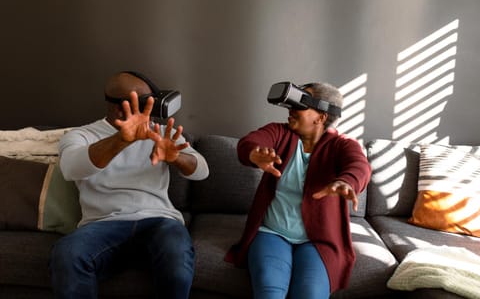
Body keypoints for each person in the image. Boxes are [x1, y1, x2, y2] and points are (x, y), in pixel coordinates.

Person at [49, 71, 209, 299]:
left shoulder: (164, 133)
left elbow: (202, 171)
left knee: (177, 259)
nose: (152, 110)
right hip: (102, 225)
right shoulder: (81, 135)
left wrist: (177, 158)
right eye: (144, 103)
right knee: (67, 255)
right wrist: (122, 140)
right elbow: (71, 168)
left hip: (159, 222)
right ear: (118, 107)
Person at [225, 81, 371, 299]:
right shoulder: (279, 132)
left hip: (319, 240)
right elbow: (251, 141)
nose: (291, 110)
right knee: (269, 292)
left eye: (300, 105)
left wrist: (348, 182)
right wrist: (254, 154)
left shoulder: (342, 145)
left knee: (310, 294)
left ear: (321, 117)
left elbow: (359, 165)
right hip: (272, 232)